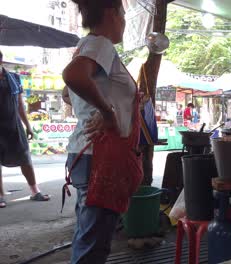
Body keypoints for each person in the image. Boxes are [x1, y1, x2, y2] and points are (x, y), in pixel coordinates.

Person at [62, 0, 133, 262]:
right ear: (111, 13)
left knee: (89, 237)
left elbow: (67, 94)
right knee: (93, 245)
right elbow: (73, 77)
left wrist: (112, 103)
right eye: (123, 14)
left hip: (87, 153)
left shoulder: (87, 44)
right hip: (99, 155)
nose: (125, 21)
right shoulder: (101, 43)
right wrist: (107, 113)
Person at [0, 50, 50, 208]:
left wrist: (28, 126)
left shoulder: (13, 78)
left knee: (25, 158)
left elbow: (20, 105)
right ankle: (0, 195)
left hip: (14, 125)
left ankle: (35, 191)